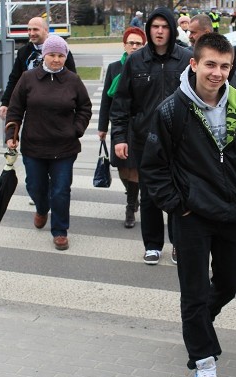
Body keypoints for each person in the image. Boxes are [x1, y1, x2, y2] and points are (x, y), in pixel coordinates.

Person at [141, 32, 236, 377]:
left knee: (231, 283)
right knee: (195, 292)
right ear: (194, 63)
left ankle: (196, 326)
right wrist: (178, 204)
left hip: (233, 213)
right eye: (210, 64)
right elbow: (154, 168)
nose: (217, 73)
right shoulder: (172, 110)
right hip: (192, 215)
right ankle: (203, 358)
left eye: (224, 66)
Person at [110, 7, 193, 265]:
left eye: (164, 26)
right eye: (155, 26)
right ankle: (153, 244)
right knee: (149, 196)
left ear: (171, 29)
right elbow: (121, 103)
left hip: (181, 142)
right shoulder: (136, 61)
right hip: (145, 141)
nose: (159, 31)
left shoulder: (186, 58)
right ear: (149, 29)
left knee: (181, 194)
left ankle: (180, 244)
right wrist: (119, 137)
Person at [4, 36, 92, 251]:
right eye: (52, 55)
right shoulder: (28, 78)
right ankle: (42, 209)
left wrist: (76, 129)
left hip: (64, 147)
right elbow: (15, 109)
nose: (56, 59)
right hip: (34, 145)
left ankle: (60, 231)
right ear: (44, 55)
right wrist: (11, 135)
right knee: (35, 186)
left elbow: (85, 108)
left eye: (61, 55)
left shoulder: (73, 80)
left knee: (61, 190)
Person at [98, 27, 146, 229]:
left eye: (138, 43)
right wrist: (102, 127)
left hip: (138, 125)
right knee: (121, 168)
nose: (134, 46)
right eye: (131, 43)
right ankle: (132, 194)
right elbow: (106, 100)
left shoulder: (146, 65)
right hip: (119, 123)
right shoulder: (114, 68)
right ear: (124, 45)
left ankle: (130, 207)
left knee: (134, 167)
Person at [0, 17, 76, 120]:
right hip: (32, 111)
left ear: (46, 30)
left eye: (35, 29)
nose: (31, 33)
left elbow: (73, 80)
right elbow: (14, 79)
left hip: (58, 110)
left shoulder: (60, 50)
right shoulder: (23, 52)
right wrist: (5, 103)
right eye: (29, 30)